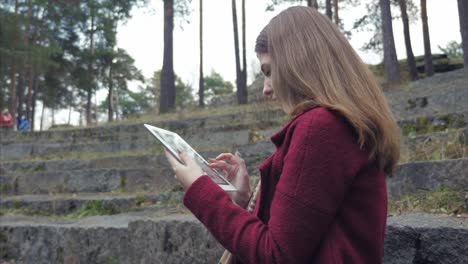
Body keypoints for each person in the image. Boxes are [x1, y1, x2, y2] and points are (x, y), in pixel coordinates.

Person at [165, 6, 400, 263]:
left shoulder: (321, 127)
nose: (266, 89)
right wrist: (242, 202)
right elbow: (295, 238)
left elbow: (276, 256)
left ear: (296, 63)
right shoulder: (336, 125)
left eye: (268, 71)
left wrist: (199, 188)